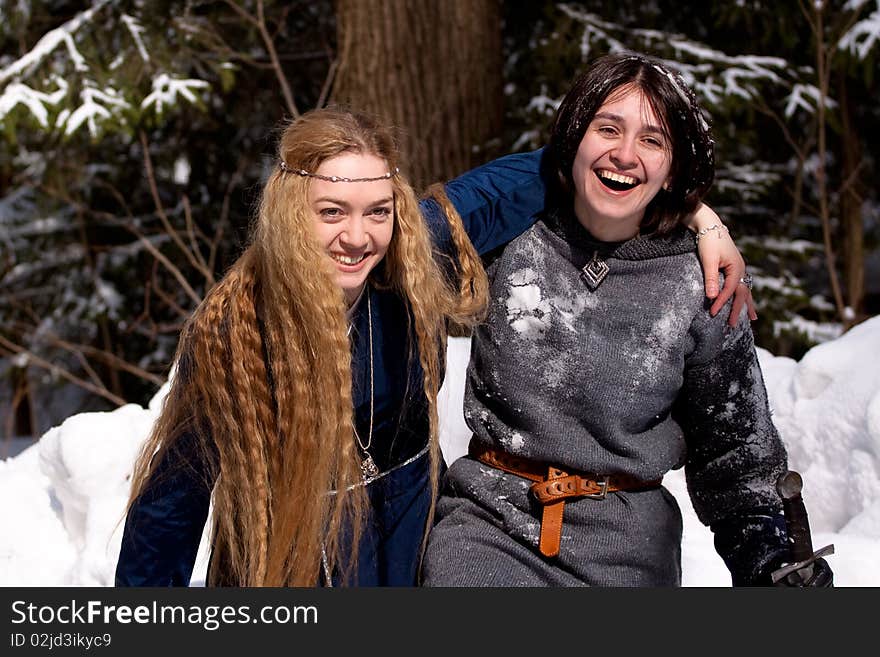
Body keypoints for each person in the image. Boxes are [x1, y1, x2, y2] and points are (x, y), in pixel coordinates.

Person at [115, 106, 751, 587]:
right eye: (331, 211)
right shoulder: (235, 333)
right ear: (288, 211)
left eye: (377, 210)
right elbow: (169, 508)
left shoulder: (411, 255)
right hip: (292, 561)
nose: (358, 236)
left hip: (412, 547)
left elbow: (574, 168)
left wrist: (699, 216)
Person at [421, 52, 830, 586]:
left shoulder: (702, 281)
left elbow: (736, 454)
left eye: (652, 141)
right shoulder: (507, 239)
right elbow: (394, 247)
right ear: (573, 138)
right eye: (606, 128)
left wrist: (768, 557)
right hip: (490, 531)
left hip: (632, 555)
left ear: (674, 168)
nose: (625, 154)